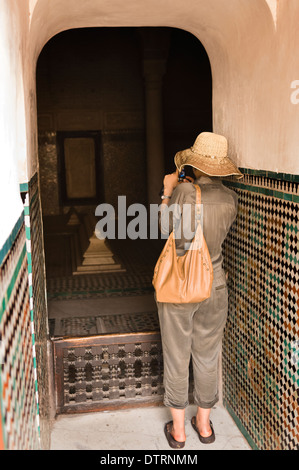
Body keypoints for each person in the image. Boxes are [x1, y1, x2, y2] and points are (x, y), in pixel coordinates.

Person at [156, 132, 243, 449]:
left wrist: (167, 192)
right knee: (207, 356)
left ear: (195, 163)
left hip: (182, 283)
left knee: (177, 356)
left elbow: (164, 229)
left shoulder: (183, 192)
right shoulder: (231, 199)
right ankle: (204, 426)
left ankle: (179, 433)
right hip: (215, 284)